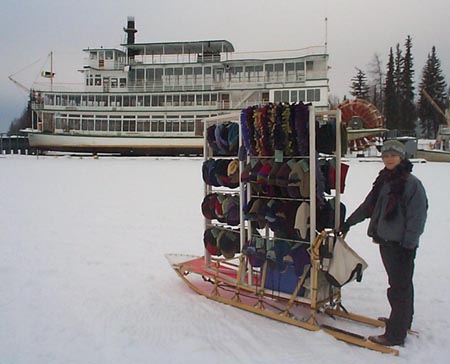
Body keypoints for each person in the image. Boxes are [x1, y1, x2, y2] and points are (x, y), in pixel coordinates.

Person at [340, 140, 428, 347]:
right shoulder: (385, 181)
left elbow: (417, 217)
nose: (388, 159)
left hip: (401, 245)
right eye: (386, 155)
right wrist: (348, 223)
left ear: (401, 157)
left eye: (393, 155)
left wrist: (409, 244)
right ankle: (402, 321)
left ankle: (395, 335)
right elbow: (368, 206)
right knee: (401, 285)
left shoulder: (411, 184)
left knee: (398, 288)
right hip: (386, 241)